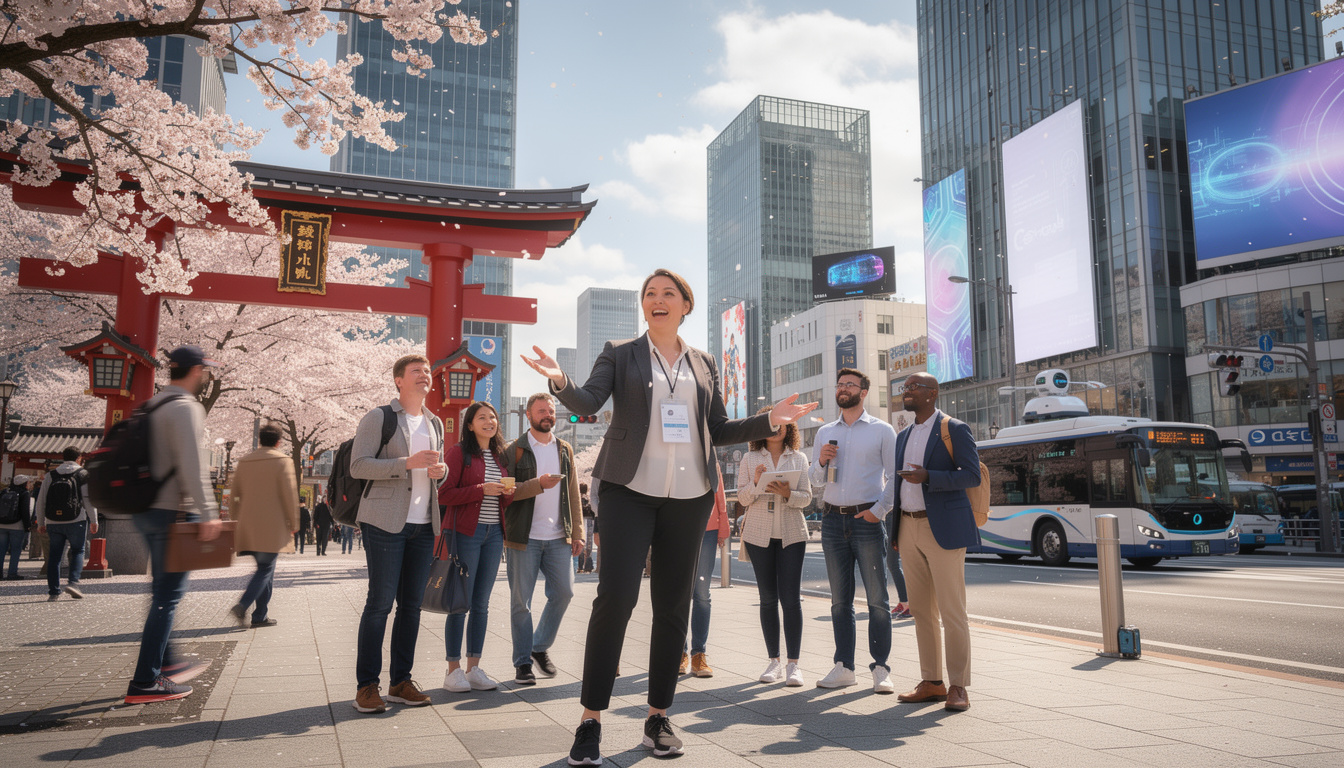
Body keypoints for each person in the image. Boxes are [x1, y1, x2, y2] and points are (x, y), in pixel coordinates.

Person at [522, 268, 818, 764]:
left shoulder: (703, 362)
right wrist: (559, 380)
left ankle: (658, 717)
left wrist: (770, 420)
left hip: (689, 496)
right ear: (644, 306)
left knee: (673, 607)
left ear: (685, 304)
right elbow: (590, 401)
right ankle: (590, 722)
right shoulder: (620, 352)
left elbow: (719, 427)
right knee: (615, 600)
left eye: (668, 294)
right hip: (628, 492)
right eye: (649, 294)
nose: (657, 300)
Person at [124, 345, 223, 704]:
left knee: (162, 592)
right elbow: (192, 466)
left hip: (146, 508)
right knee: (167, 596)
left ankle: (167, 665)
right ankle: (144, 682)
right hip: (172, 511)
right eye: (204, 371)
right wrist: (208, 513)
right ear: (197, 371)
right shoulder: (186, 408)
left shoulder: (151, 404)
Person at [350, 354, 448, 714]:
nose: (425, 375)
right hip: (384, 523)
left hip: (423, 525)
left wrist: (441, 470)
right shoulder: (380, 417)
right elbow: (358, 465)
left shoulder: (435, 422)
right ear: (398, 381)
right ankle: (367, 686)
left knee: (411, 607)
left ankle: (400, 681)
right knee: (379, 604)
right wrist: (405, 463)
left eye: (428, 371)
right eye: (416, 371)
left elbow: (438, 473)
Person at [891, 372, 981, 713]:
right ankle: (932, 681)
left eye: (914, 387)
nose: (907, 392)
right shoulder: (903, 435)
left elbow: (971, 475)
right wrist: (897, 531)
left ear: (933, 393)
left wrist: (930, 477)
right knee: (921, 612)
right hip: (908, 528)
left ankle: (959, 685)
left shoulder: (953, 429)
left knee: (952, 611)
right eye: (905, 388)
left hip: (942, 528)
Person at [810, 367, 897, 694]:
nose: (843, 388)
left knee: (877, 598)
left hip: (867, 521)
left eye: (850, 384)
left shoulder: (882, 430)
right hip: (832, 521)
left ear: (863, 392)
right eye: (840, 383)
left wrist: (878, 512)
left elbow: (894, 477)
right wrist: (820, 460)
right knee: (839, 600)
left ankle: (880, 667)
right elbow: (815, 481)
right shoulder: (825, 433)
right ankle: (844, 666)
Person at [503, 392, 582, 686]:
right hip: (523, 538)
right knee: (520, 603)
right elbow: (506, 493)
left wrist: (578, 533)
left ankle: (538, 646)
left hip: (559, 536)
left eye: (551, 410)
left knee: (564, 593)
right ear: (529, 415)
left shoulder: (565, 449)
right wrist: (538, 484)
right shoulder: (514, 451)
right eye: (541, 411)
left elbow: (572, 493)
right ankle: (522, 663)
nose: (547, 415)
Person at [439, 400, 515, 693]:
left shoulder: (499, 457)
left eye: (492, 417)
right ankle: (452, 670)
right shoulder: (458, 453)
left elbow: (500, 501)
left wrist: (508, 492)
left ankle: (474, 668)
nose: (489, 421)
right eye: (481, 417)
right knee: (461, 601)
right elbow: (445, 494)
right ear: (470, 424)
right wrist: (481, 490)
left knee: (481, 604)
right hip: (465, 533)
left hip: (494, 533)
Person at [737, 406, 812, 687]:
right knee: (768, 598)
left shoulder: (799, 458)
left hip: (792, 534)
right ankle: (774, 661)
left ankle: (794, 665)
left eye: (783, 424)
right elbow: (742, 498)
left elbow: (806, 498)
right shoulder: (749, 458)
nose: (777, 428)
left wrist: (788, 494)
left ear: (789, 428)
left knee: (791, 599)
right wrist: (757, 484)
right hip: (759, 536)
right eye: (772, 423)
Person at [229, 422, 299, 628]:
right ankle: (242, 605)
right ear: (278, 442)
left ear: (261, 440)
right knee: (266, 568)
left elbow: (234, 495)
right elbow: (289, 494)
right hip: (272, 524)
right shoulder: (283, 461)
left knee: (265, 568)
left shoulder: (245, 461)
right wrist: (294, 521)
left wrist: (235, 519)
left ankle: (260, 616)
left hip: (248, 525)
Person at [679, 476, 728, 678]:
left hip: (708, 527)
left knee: (701, 594)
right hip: (676, 524)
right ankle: (679, 653)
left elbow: (719, 490)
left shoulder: (709, 450)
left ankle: (699, 654)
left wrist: (723, 525)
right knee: (679, 593)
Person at [36, 446, 98, 601]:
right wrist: (94, 520)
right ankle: (73, 583)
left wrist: (41, 522)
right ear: (79, 459)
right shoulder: (83, 474)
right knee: (77, 551)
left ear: (64, 458)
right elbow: (88, 500)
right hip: (76, 520)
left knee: (55, 556)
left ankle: (53, 592)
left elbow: (41, 501)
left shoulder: (51, 475)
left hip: (53, 521)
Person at [0, 475, 33, 580]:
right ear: (24, 483)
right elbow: (25, 511)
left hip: (2, 524)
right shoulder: (24, 493)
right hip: (17, 526)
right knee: (15, 550)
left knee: (1, 550)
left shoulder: (5, 491)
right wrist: (27, 526)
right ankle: (12, 573)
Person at [886, 521, 912, 620]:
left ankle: (907, 604)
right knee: (892, 563)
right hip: (887, 519)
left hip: (895, 519)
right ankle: (904, 602)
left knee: (893, 563)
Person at [578, 483, 596, 572]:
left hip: (580, 520)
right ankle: (588, 566)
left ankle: (580, 566)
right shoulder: (588, 499)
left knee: (581, 541)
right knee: (589, 543)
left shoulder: (578, 498)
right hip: (589, 520)